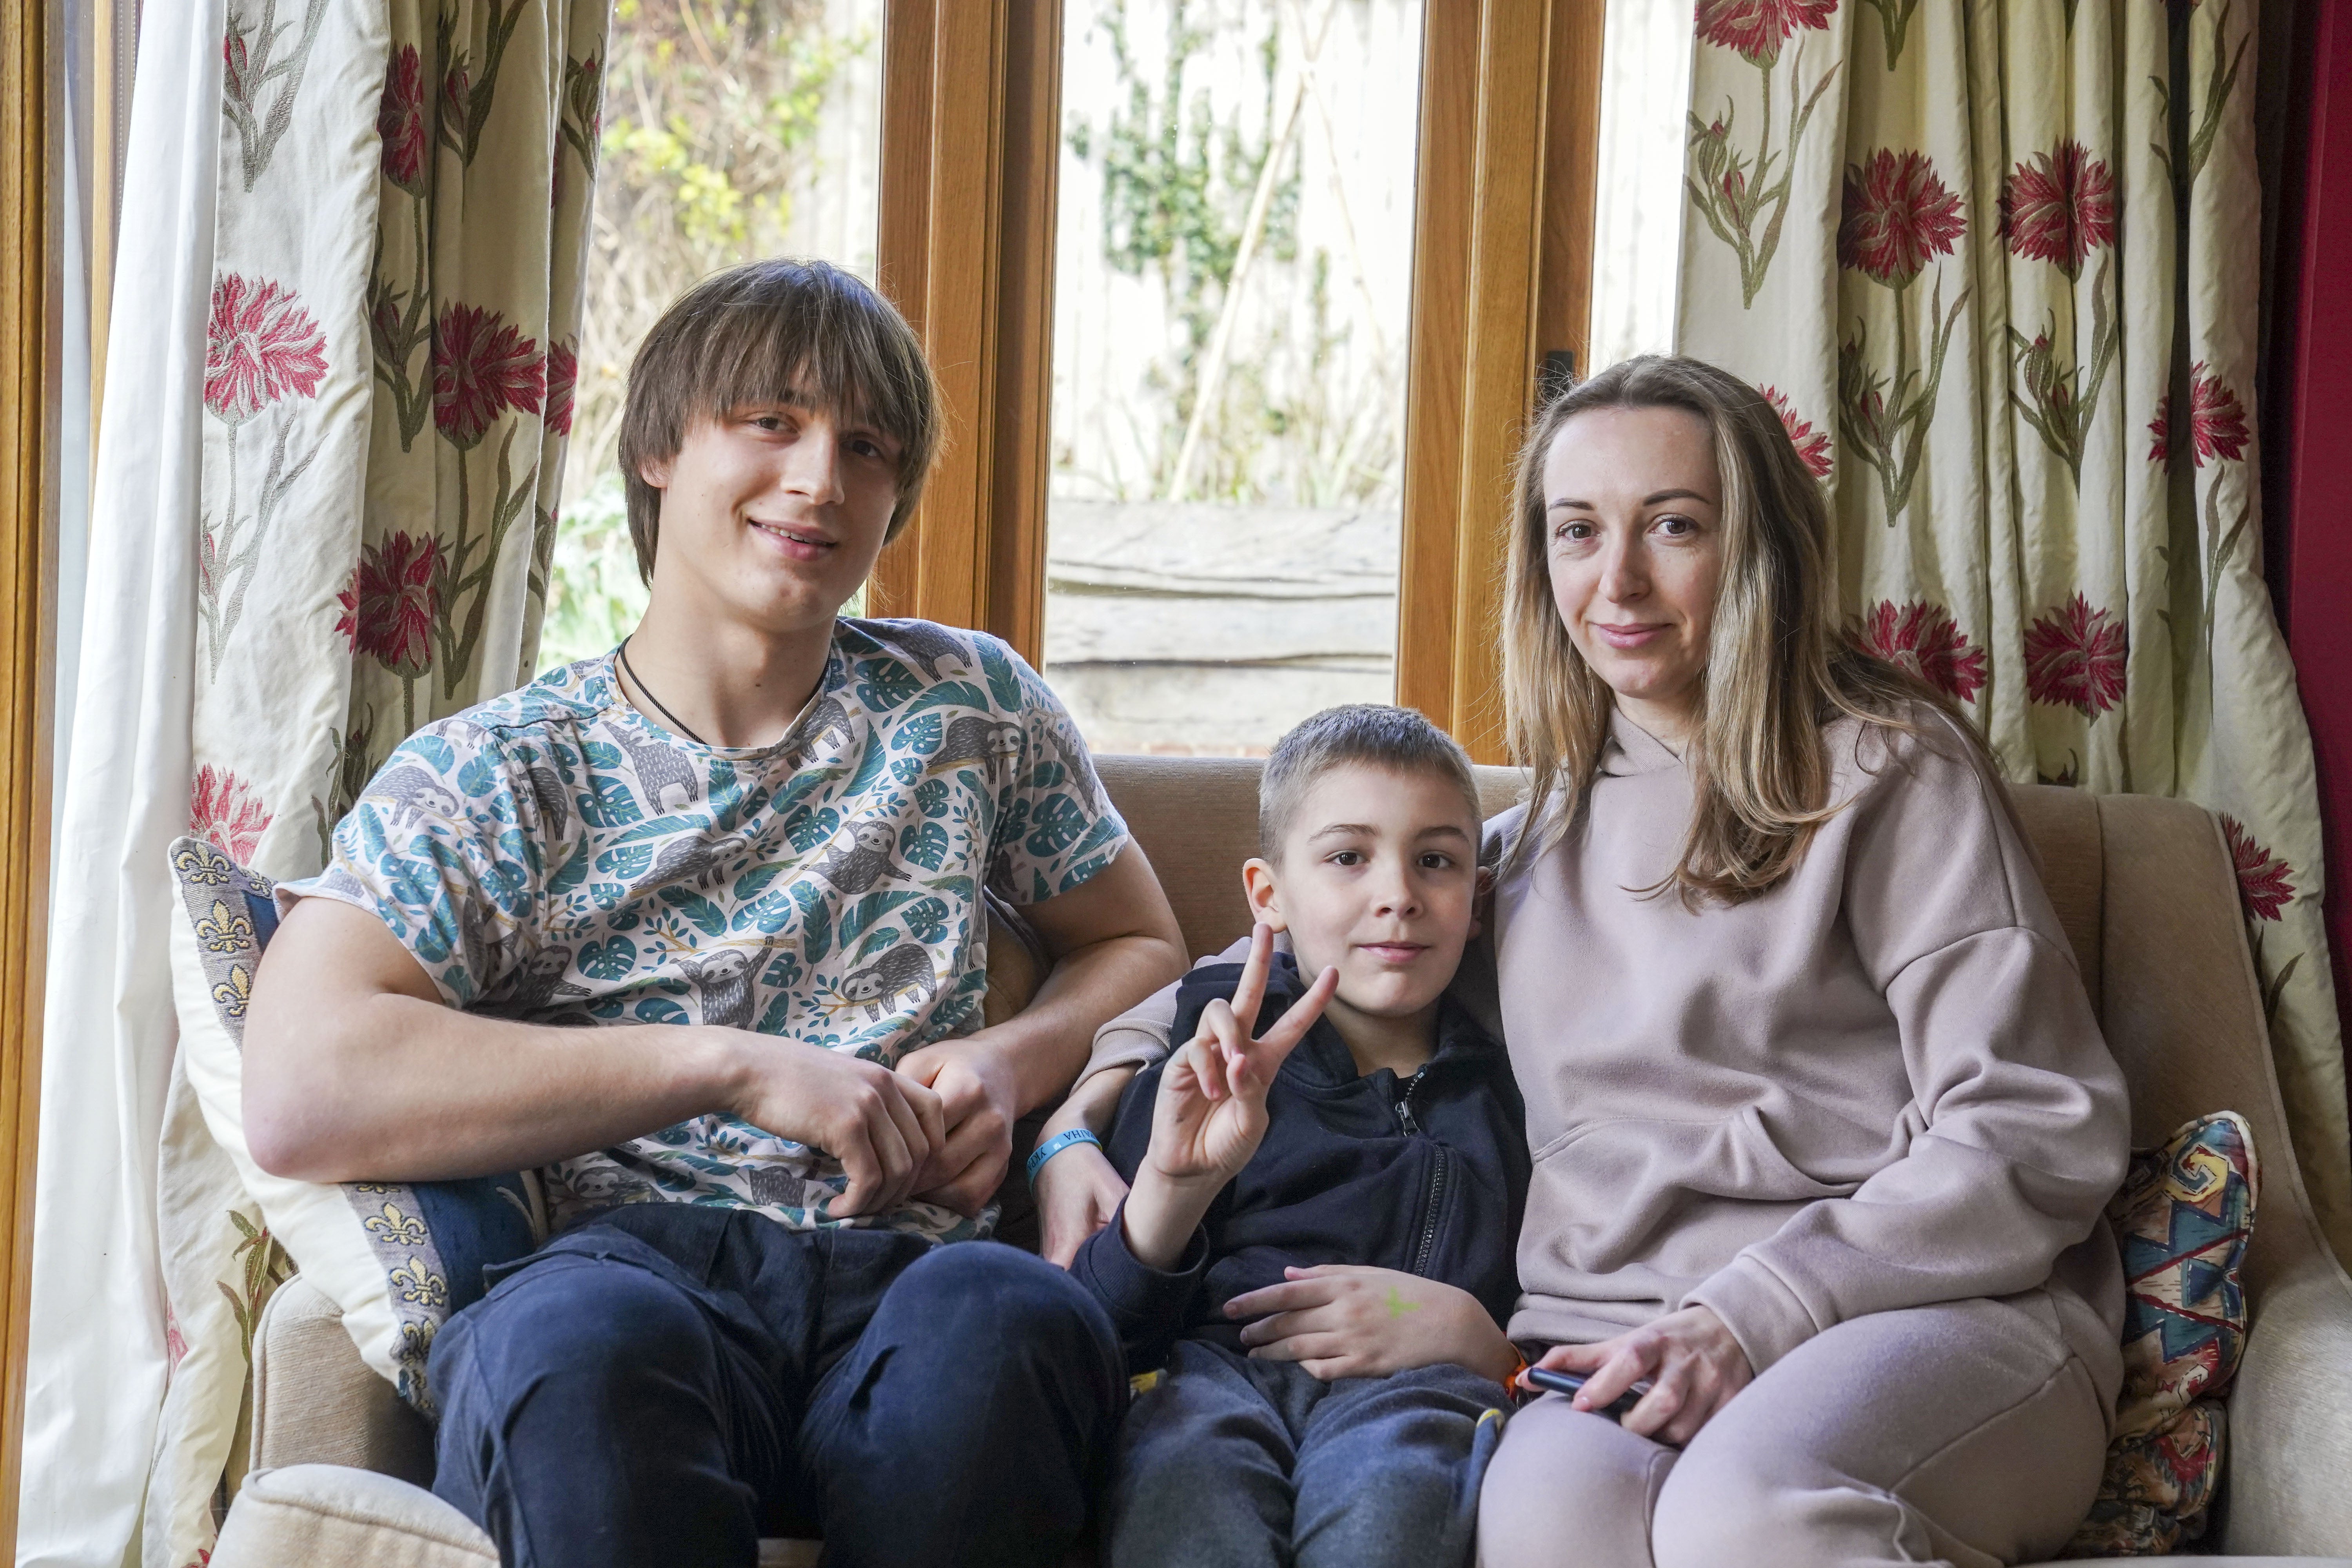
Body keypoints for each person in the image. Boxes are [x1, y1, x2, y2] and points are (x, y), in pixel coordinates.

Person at [241, 258, 1189, 1568]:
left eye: (867, 447)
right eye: (771, 422)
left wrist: (1009, 1061)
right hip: (628, 1272)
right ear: (658, 451)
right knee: (565, 1348)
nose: (820, 479)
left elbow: (1141, 944)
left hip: (915, 1281)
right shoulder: (505, 770)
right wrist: (733, 1068)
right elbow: (301, 1086)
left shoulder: (971, 704)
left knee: (1014, 1319)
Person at [1472, 355, 2130, 1567]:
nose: (1617, 580)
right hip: (1617, 1331)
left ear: (1758, 547)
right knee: (1547, 1532)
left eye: (1674, 525)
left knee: (1747, 1514)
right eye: (1578, 531)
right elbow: (1276, 976)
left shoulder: (1891, 772)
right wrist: (1106, 1097)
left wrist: (1753, 1313)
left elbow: (2035, 1123)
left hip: (1933, 1310)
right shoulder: (1520, 847)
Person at [1062, 705, 1528, 1568]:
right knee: (1186, 1492)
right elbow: (1100, 1328)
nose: (1398, 894)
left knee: (1391, 1503)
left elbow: (1549, 1328)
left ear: (1478, 898)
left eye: (1435, 860)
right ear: (1268, 894)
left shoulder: (1518, 1089)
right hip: (1207, 1383)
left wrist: (1486, 1346)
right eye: (1349, 857)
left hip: (1422, 1394)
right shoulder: (1209, 1059)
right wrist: (1173, 1186)